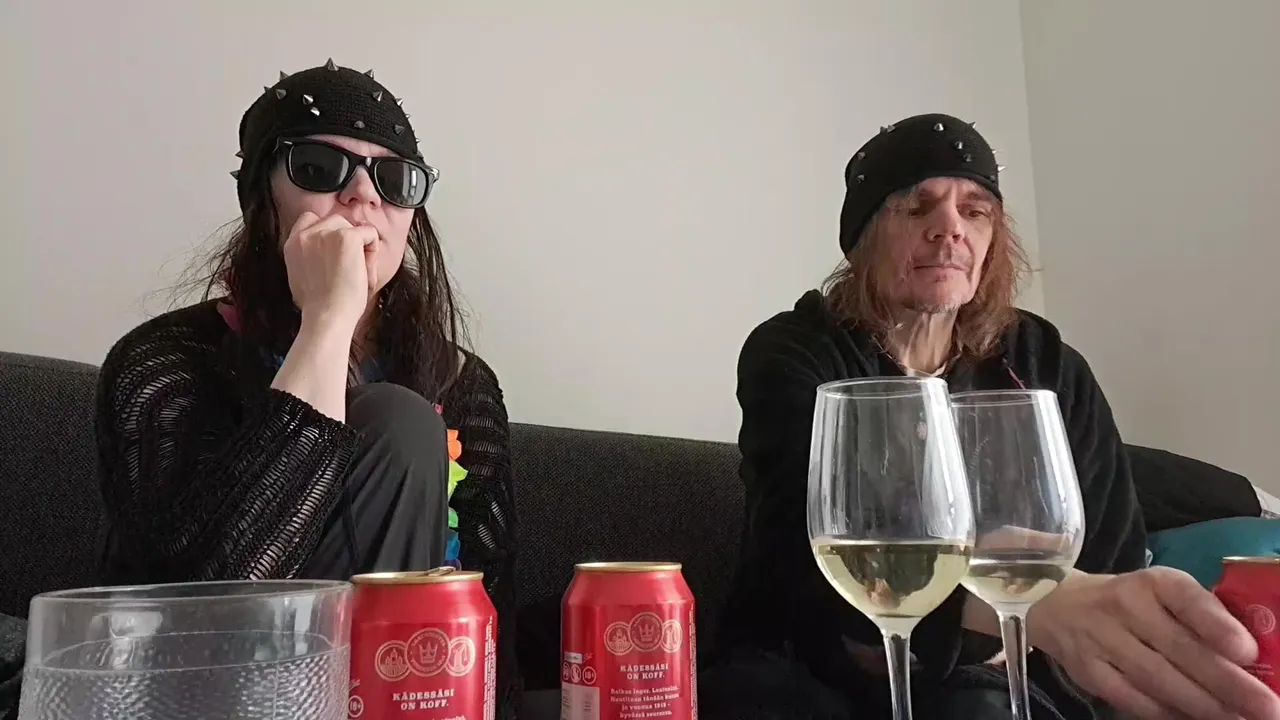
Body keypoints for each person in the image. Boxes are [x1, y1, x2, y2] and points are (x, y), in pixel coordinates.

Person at [704, 113, 1280, 720]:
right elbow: (803, 543)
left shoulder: (1045, 362)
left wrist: (1057, 620)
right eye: (917, 207)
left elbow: (1107, 551)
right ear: (864, 236)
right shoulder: (795, 350)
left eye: (975, 211)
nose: (950, 228)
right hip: (810, 659)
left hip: (1010, 673)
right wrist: (1039, 599)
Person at [94, 61, 519, 717]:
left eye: (394, 179)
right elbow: (201, 599)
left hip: (411, 687)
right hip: (202, 692)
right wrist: (326, 323)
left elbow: (489, 622)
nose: (363, 196)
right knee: (398, 422)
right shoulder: (165, 360)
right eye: (320, 168)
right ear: (264, 204)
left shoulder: (463, 383)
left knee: (405, 422)